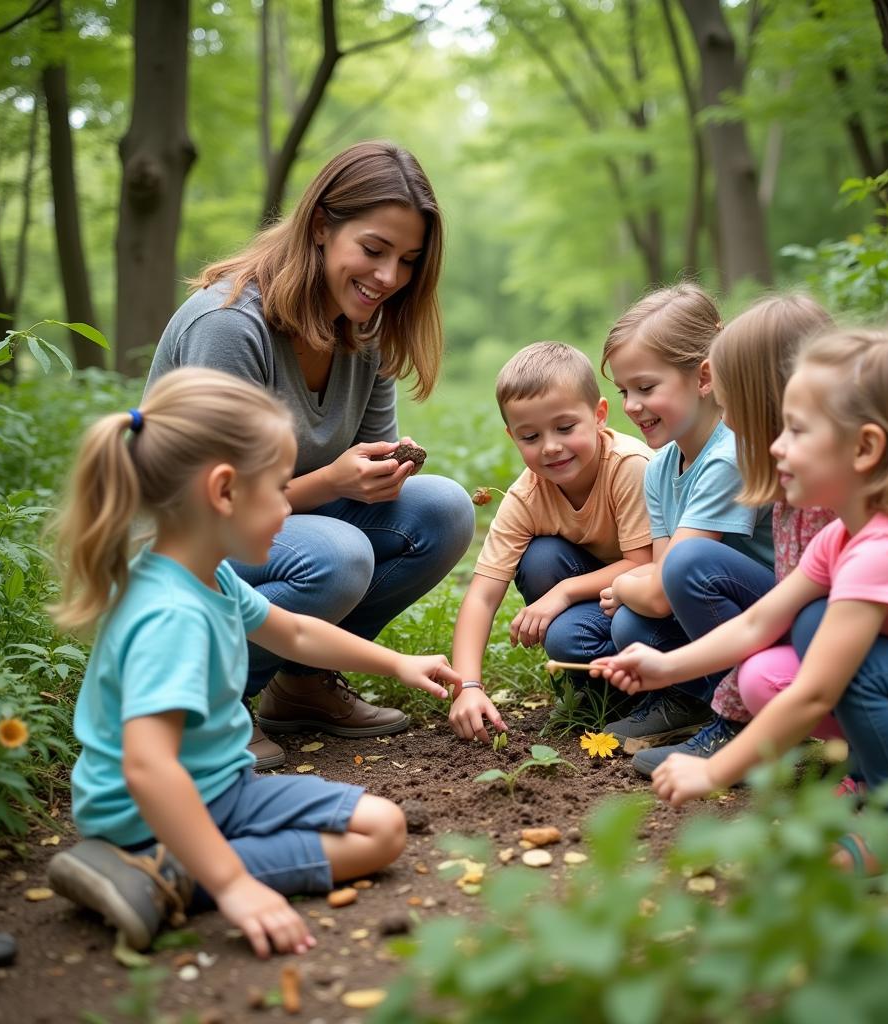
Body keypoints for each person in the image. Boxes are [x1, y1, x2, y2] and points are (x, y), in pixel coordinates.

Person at [46, 369, 461, 954]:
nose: (287, 506)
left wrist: (397, 663)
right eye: (277, 489)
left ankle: (156, 874)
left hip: (218, 787)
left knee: (383, 826)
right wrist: (235, 884)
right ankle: (163, 871)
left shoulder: (204, 574)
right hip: (149, 812)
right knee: (379, 835)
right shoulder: (172, 614)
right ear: (223, 492)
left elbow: (292, 631)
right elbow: (148, 767)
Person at [594, 327, 888, 873]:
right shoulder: (845, 537)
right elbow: (758, 623)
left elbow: (816, 692)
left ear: (865, 448)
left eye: (796, 431)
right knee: (814, 620)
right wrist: (666, 666)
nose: (774, 446)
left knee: (842, 650)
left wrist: (714, 773)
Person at [145, 141, 474, 769]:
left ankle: (303, 685)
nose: (389, 278)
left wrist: (380, 471)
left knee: (444, 510)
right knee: (338, 554)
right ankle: (206, 702)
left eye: (407, 261)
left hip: (278, 526)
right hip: (185, 548)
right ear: (321, 226)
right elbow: (214, 510)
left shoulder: (365, 324)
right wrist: (330, 481)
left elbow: (359, 464)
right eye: (374, 251)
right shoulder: (229, 327)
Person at [629, 294, 836, 778]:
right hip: (796, 623)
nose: (723, 415)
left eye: (730, 398)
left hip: (840, 639)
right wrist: (667, 669)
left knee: (801, 621)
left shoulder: (831, 493)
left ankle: (746, 731)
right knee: (634, 628)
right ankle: (741, 721)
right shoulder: (787, 478)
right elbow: (775, 608)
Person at [598, 284, 775, 752]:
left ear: (703, 378)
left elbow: (659, 588)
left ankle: (745, 723)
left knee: (672, 577)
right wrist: (642, 587)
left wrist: (624, 587)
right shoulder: (659, 468)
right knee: (630, 628)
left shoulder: (729, 456)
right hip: (721, 611)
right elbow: (659, 585)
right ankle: (698, 703)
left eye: (646, 387)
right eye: (623, 391)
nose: (632, 405)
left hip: (779, 613)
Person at [448, 342, 653, 744]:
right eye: (530, 436)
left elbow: (645, 563)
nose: (551, 447)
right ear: (512, 437)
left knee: (566, 632)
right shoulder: (526, 495)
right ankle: (602, 695)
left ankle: (658, 690)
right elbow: (481, 597)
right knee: (541, 560)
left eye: (565, 428)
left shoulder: (630, 466)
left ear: (598, 416)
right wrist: (467, 686)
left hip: (653, 596)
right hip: (602, 595)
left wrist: (564, 591)